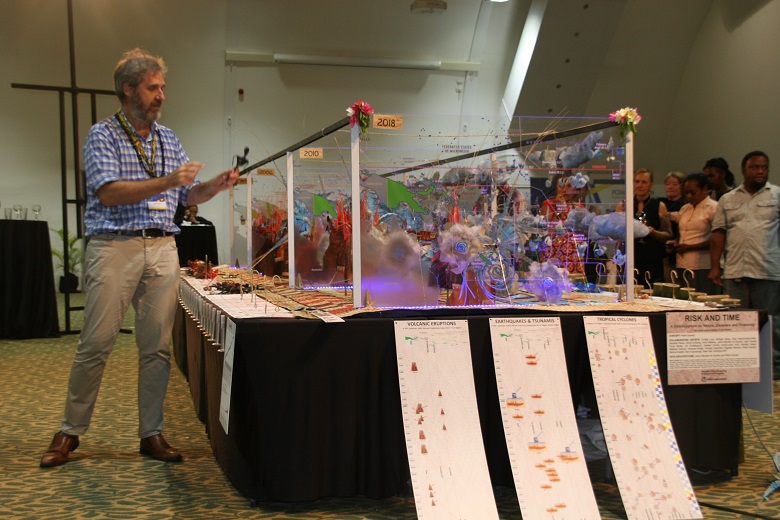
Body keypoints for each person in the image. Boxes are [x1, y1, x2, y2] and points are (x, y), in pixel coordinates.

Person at [40, 48, 239, 468]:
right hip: (115, 246)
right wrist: (167, 180)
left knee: (157, 348)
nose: (161, 95)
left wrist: (214, 187)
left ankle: (151, 433)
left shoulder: (169, 139)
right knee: (95, 343)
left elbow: (188, 194)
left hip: (164, 247)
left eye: (163, 87)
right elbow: (109, 191)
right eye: (152, 87)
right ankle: (69, 431)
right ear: (128, 89)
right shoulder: (103, 135)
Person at [709, 151, 780, 379]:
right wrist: (715, 267)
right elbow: (718, 233)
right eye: (755, 167)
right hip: (736, 269)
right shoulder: (728, 199)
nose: (760, 171)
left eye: (764, 167)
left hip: (768, 268)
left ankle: (773, 366)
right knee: (736, 321)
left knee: (771, 321)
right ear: (743, 170)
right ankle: (739, 366)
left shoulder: (777, 195)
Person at [669, 172, 718, 295]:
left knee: (702, 302)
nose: (689, 196)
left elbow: (717, 240)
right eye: (686, 193)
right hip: (682, 264)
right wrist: (675, 243)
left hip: (703, 265)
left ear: (704, 189)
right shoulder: (685, 208)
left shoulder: (713, 208)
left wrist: (690, 247)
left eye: (693, 192)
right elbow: (682, 234)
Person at [631, 168, 672, 284]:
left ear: (651, 185)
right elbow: (616, 235)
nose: (639, 185)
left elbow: (668, 235)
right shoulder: (624, 205)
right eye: (637, 181)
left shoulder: (659, 206)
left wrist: (653, 232)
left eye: (644, 182)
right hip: (631, 258)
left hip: (652, 259)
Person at [659, 171, 686, 282]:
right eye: (668, 184)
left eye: (674, 184)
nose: (670, 187)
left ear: (681, 186)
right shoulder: (660, 203)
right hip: (662, 250)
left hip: (680, 250)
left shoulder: (685, 204)